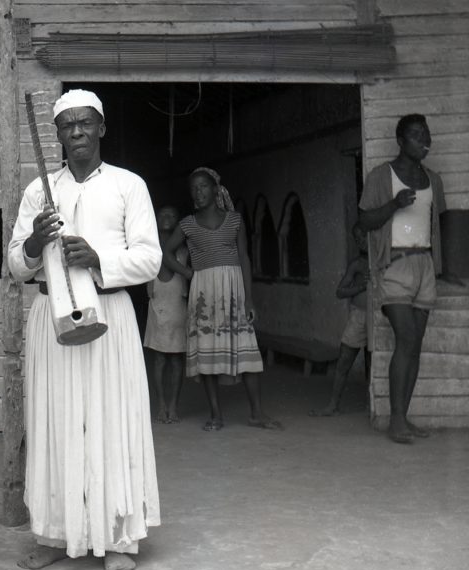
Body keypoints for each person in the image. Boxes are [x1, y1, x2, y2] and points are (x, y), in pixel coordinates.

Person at [8, 89, 162, 570]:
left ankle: (115, 536)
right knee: (56, 423)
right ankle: (56, 532)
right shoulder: (39, 190)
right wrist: (35, 240)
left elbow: (150, 258)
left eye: (85, 123)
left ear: (101, 128)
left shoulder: (128, 185)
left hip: (109, 317)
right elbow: (16, 265)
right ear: (56, 134)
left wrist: (98, 258)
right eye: (66, 125)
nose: (76, 131)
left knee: (108, 421)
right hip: (52, 318)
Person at [358, 114, 461, 444]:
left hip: (424, 267)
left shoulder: (434, 179)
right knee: (406, 340)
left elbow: (439, 226)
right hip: (395, 265)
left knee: (414, 345)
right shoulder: (381, 176)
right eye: (416, 135)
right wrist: (393, 204)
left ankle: (404, 416)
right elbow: (364, 221)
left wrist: (447, 269)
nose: (423, 139)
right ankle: (396, 420)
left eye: (426, 134)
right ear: (400, 141)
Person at [162, 167, 280, 432]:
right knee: (207, 354)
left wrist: (249, 299)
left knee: (247, 350)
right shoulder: (187, 224)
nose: (198, 192)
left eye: (203, 186)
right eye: (194, 188)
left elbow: (244, 258)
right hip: (204, 293)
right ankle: (216, 415)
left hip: (234, 291)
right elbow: (166, 253)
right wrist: (189, 273)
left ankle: (257, 413)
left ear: (216, 189)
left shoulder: (235, 220)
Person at [309, 223, 371, 417]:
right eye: (357, 237)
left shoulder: (384, 261)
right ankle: (333, 405)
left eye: (364, 236)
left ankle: (374, 407)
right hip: (359, 315)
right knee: (344, 359)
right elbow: (340, 291)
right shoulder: (357, 264)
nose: (360, 240)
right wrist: (361, 286)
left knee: (374, 363)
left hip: (380, 316)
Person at [144, 205, 188, 423]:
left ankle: (173, 406)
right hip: (157, 304)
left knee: (177, 358)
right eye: (163, 214)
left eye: (172, 214)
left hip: (178, 305)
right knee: (160, 358)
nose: (167, 218)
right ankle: (162, 405)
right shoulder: (148, 245)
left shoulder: (185, 248)